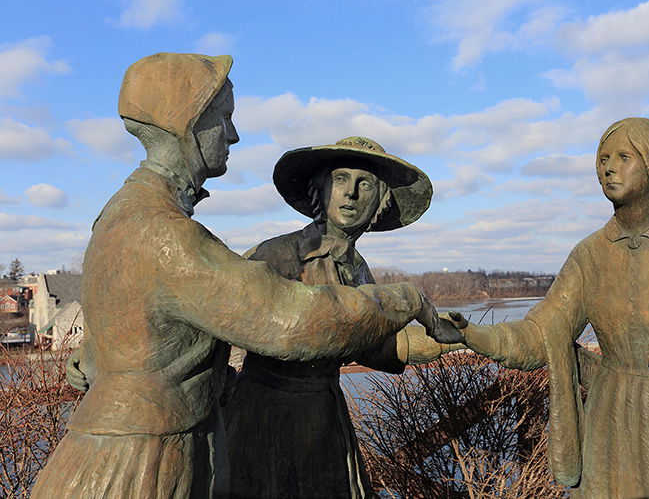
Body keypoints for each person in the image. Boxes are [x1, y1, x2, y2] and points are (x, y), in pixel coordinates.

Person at [31, 53, 455, 499]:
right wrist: (407, 299)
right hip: (141, 460)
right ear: (187, 124)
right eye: (223, 118)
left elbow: (121, 335)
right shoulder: (164, 231)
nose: (233, 133)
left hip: (156, 441)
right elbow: (288, 321)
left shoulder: (124, 215)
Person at [437, 118, 649, 498]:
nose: (608, 168)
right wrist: (473, 334)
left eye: (623, 157)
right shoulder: (589, 256)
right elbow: (542, 332)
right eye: (602, 159)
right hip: (614, 422)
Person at [224, 136, 462, 498]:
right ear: (320, 189)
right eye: (340, 179)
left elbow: (377, 349)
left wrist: (450, 337)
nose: (350, 193)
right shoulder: (278, 254)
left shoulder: (358, 268)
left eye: (364, 184)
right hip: (266, 417)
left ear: (380, 202)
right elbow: (227, 325)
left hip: (325, 417)